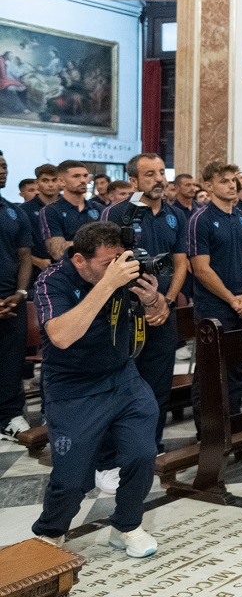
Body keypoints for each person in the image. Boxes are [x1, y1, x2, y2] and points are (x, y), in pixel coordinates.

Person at [31, 221, 169, 555]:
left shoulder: (123, 272)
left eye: (121, 259)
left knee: (142, 454)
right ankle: (50, 533)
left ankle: (127, 526)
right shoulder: (53, 280)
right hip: (73, 387)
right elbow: (61, 336)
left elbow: (161, 314)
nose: (118, 269)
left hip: (123, 378)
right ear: (80, 260)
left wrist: (152, 301)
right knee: (72, 478)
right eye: (108, 263)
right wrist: (107, 285)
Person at [100, 154, 189, 453]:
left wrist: (165, 301)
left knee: (158, 381)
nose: (159, 179)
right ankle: (119, 448)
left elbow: (180, 262)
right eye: (150, 174)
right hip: (125, 312)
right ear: (134, 182)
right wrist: (147, 300)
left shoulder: (176, 215)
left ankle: (152, 443)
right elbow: (108, 265)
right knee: (123, 380)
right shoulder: (117, 214)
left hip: (163, 312)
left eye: (162, 172)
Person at [187, 162, 242, 423]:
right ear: (208, 186)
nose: (232, 185)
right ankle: (206, 435)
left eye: (233, 181)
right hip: (215, 306)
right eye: (224, 181)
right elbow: (201, 269)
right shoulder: (201, 220)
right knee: (209, 373)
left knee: (237, 370)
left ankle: (234, 426)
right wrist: (232, 298)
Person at [0, 151, 33, 441]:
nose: (2, 171)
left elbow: (24, 256)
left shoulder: (13, 211)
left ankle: (9, 416)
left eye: (4, 166)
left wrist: (21, 293)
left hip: (11, 299)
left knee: (12, 360)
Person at [41, 160, 101, 261]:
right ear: (61, 181)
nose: (83, 180)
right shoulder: (51, 210)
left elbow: (110, 244)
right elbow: (58, 252)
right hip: (66, 271)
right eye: (76, 176)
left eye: (85, 176)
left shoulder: (99, 208)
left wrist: (71, 243)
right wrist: (97, 243)